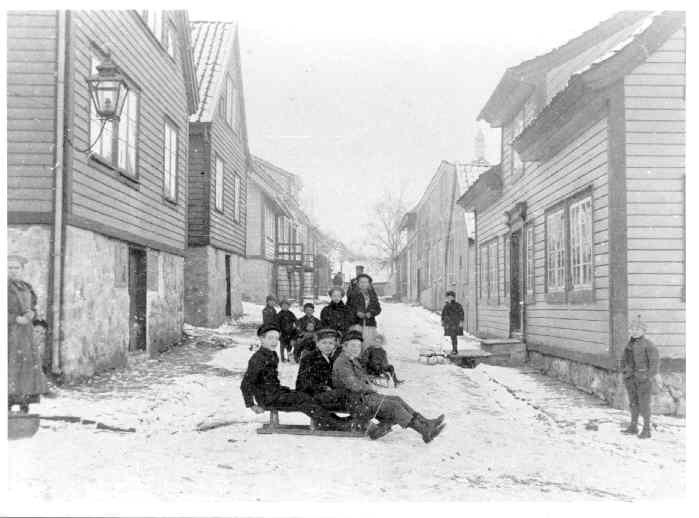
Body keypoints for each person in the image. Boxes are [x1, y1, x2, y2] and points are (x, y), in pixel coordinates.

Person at [333, 330, 446, 442]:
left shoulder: (352, 360)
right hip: (354, 399)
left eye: (358, 346)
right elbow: (353, 384)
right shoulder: (342, 362)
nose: (356, 348)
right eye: (352, 346)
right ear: (344, 346)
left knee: (397, 399)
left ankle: (426, 423)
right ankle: (423, 430)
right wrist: (370, 388)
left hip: (362, 396)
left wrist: (369, 385)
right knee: (394, 406)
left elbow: (361, 380)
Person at [240, 323, 351, 430]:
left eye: (276, 338)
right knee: (303, 399)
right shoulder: (257, 358)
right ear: (261, 339)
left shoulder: (272, 354)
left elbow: (271, 380)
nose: (274, 342)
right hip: (267, 398)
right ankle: (335, 423)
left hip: (275, 393)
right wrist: (251, 405)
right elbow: (246, 383)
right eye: (270, 338)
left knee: (303, 396)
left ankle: (335, 421)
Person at [8, 254, 48, 413]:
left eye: (16, 268)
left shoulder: (26, 287)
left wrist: (32, 314)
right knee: (9, 366)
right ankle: (7, 404)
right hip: (8, 333)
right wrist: (14, 318)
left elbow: (33, 307)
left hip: (25, 335)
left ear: (22, 270)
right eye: (9, 267)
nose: (13, 271)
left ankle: (24, 403)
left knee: (25, 367)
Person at [295, 328, 351, 413]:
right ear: (317, 344)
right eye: (324, 343)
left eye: (331, 343)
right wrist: (322, 387)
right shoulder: (309, 358)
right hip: (310, 394)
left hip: (324, 394)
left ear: (335, 345)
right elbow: (304, 382)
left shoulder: (332, 359)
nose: (327, 346)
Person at [621, 315, 660, 439]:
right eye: (632, 328)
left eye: (637, 328)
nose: (634, 331)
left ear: (643, 330)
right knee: (633, 403)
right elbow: (623, 361)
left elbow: (654, 365)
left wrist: (646, 376)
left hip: (643, 380)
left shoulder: (649, 345)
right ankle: (633, 427)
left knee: (644, 405)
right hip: (630, 378)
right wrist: (625, 372)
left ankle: (646, 429)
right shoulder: (629, 345)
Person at [347, 273, 381, 351]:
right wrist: (357, 312)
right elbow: (348, 308)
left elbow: (378, 308)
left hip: (369, 324)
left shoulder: (372, 294)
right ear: (358, 283)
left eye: (366, 282)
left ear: (369, 284)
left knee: (368, 345)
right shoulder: (353, 294)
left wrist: (371, 313)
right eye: (361, 282)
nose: (363, 284)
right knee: (356, 345)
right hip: (357, 324)